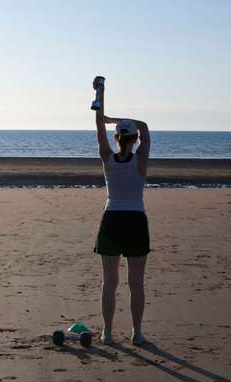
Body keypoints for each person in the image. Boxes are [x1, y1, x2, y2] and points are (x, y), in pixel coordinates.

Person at [92, 76, 151, 346]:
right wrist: (117, 118)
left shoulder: (108, 157)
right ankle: (137, 333)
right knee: (136, 283)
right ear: (135, 139)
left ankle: (106, 332)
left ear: (117, 138)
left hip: (113, 219)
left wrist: (102, 102)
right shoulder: (140, 159)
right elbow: (145, 126)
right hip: (135, 220)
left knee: (109, 283)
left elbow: (97, 125)